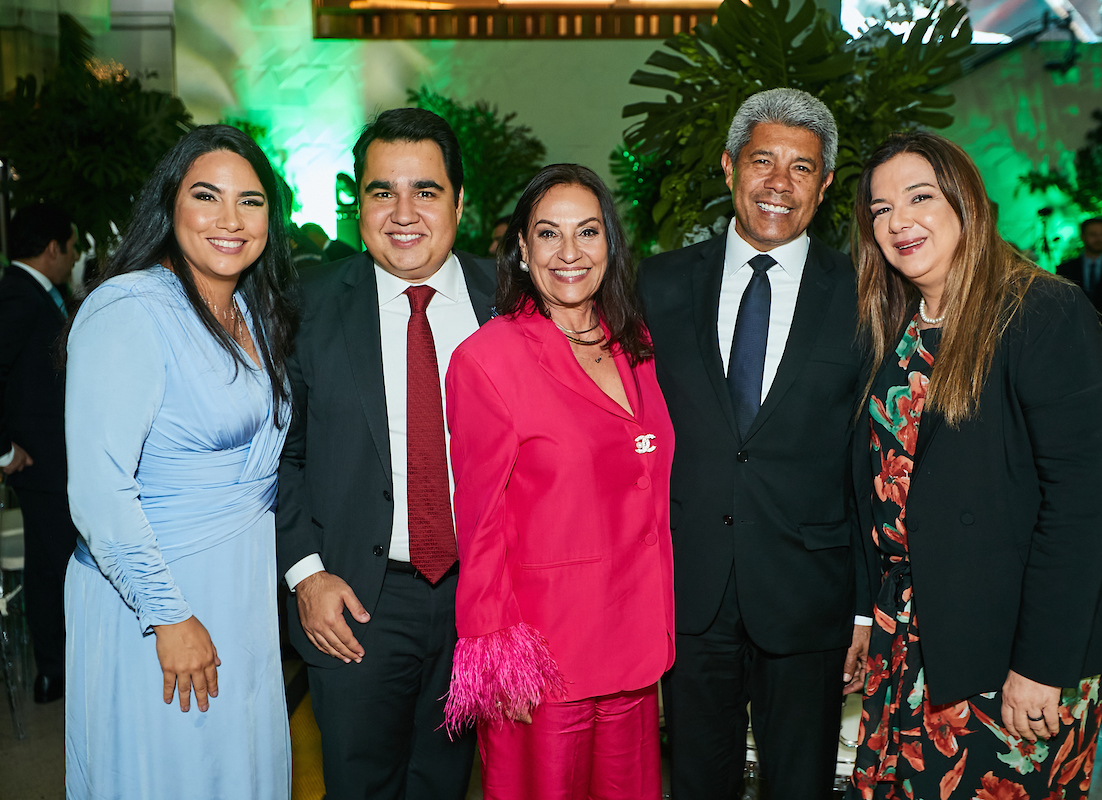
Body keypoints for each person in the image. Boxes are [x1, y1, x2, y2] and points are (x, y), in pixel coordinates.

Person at [849, 131, 1102, 799]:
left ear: (967, 204)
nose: (898, 220)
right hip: (910, 636)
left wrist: (1041, 666)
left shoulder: (1040, 310)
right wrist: (868, 617)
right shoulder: (892, 326)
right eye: (880, 207)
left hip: (1014, 643)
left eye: (919, 196)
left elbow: (1079, 505)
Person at [638, 88, 870, 799]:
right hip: (689, 586)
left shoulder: (866, 292)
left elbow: (872, 458)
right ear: (729, 166)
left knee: (799, 783)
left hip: (810, 595)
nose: (779, 182)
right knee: (697, 781)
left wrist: (865, 605)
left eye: (801, 168)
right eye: (762, 160)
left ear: (826, 186)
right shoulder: (657, 283)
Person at [62, 124, 298, 798]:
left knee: (235, 770)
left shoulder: (253, 307)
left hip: (242, 598)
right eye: (207, 196)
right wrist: (168, 615)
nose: (231, 220)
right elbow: (101, 491)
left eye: (251, 202)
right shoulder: (128, 309)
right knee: (171, 773)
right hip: (159, 601)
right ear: (170, 206)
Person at [276, 107, 493, 800]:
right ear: (357, 202)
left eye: (425, 191)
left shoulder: (515, 301)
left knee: (446, 784)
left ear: (459, 202)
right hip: (355, 601)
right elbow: (277, 456)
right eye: (381, 191)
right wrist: (305, 575)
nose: (403, 212)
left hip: (481, 600)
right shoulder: (305, 308)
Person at [442, 164, 675, 799]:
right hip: (545, 661)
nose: (569, 253)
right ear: (522, 247)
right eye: (549, 234)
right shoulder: (488, 360)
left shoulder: (635, 343)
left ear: (610, 244)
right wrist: (496, 658)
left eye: (588, 232)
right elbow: (480, 521)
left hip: (633, 644)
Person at [0, 203, 79, 704]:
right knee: (62, 568)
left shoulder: (35, 292)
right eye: (71, 248)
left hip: (49, 460)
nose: (73, 258)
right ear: (53, 248)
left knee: (49, 567)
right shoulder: (19, 296)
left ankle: (55, 671)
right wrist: (4, 450)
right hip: (40, 460)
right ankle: (60, 668)